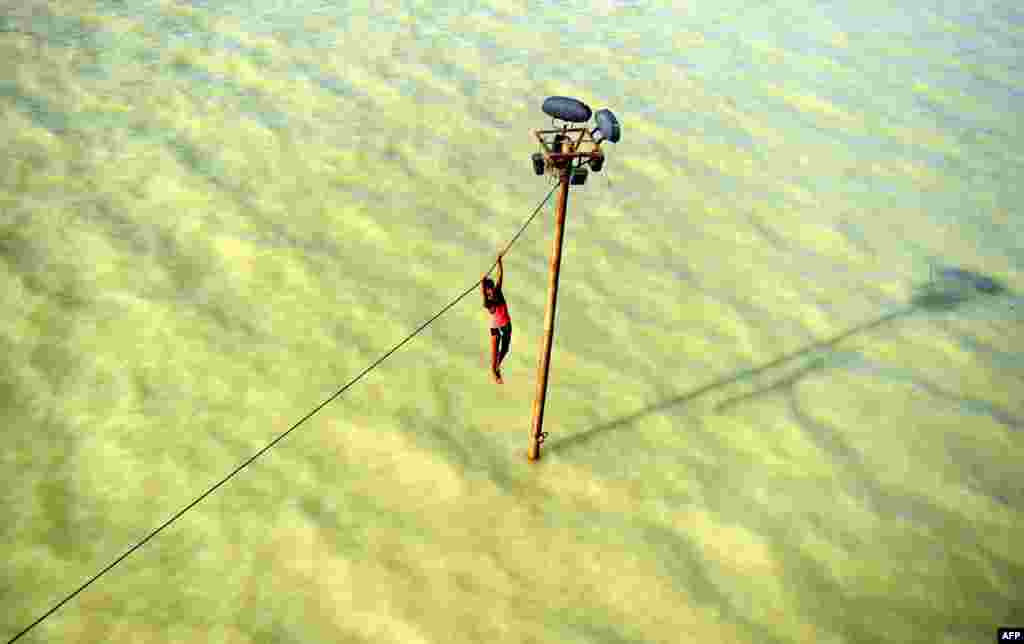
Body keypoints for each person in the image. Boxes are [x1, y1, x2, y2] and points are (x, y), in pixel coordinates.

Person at [481, 254, 512, 384]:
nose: (492, 291)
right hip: (497, 327)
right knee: (495, 353)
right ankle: (495, 372)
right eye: (489, 291)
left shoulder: (497, 291)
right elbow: (483, 292)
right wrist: (483, 285)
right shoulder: (487, 302)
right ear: (487, 292)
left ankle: (496, 368)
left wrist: (499, 263)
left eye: (492, 288)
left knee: (504, 349)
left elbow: (500, 277)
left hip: (504, 325)